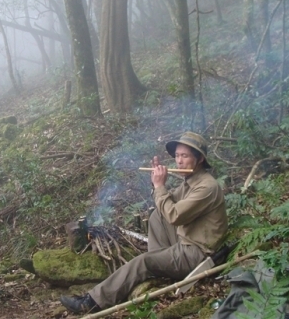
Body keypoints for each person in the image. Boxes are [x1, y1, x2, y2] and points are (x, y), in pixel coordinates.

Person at [60, 131, 228, 314]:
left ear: (200, 158)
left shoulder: (207, 187)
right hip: (184, 243)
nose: (179, 161)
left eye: (185, 156)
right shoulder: (191, 181)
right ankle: (160, 266)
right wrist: (156, 185)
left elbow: (174, 215)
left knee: (144, 261)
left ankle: (92, 302)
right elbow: (166, 205)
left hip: (196, 253)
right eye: (177, 155)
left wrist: (159, 186)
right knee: (157, 216)